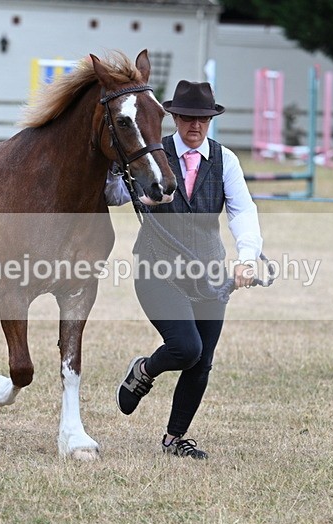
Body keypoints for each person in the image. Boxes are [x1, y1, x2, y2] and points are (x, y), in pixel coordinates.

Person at [106, 80, 263, 460]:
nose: (195, 126)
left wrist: (247, 257)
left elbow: (243, 210)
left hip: (209, 274)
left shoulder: (225, 161)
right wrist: (118, 176)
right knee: (185, 348)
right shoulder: (151, 154)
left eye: (203, 119)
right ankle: (144, 370)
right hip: (157, 270)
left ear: (210, 120)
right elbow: (113, 195)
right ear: (174, 117)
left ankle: (175, 439)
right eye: (188, 118)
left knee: (202, 362)